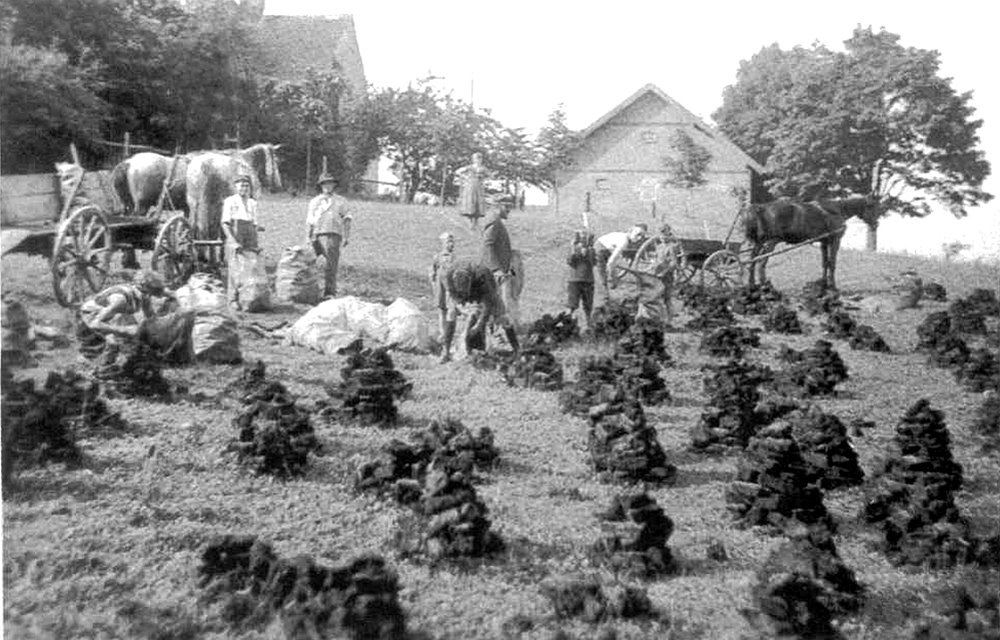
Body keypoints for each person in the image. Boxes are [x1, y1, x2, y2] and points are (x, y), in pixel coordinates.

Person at [77, 270, 195, 364]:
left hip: (113, 316)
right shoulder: (120, 300)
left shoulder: (143, 294)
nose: (158, 294)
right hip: (89, 319)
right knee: (115, 343)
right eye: (155, 290)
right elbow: (96, 324)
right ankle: (98, 359)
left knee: (138, 335)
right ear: (144, 287)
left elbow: (154, 312)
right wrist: (124, 331)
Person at [441, 261, 519, 361]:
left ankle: (517, 349)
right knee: (451, 313)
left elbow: (488, 305)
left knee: (503, 318)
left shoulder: (483, 274)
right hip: (464, 292)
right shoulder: (449, 274)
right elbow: (453, 296)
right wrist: (461, 304)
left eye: (465, 289)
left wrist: (479, 325)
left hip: (484, 291)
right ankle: (445, 352)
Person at [307, 172, 353, 298]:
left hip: (333, 234)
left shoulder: (341, 201)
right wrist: (308, 237)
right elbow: (310, 220)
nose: (327, 186)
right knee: (307, 262)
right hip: (317, 234)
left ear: (334, 185)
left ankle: (329, 292)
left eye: (330, 183)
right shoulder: (315, 201)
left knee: (331, 265)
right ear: (321, 185)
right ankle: (307, 291)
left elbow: (347, 219)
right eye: (325, 183)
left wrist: (346, 236)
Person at [221, 174, 262, 306]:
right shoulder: (230, 201)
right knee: (235, 268)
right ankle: (232, 299)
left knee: (250, 267)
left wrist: (256, 243)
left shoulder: (252, 203)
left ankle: (246, 298)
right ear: (235, 187)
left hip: (249, 236)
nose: (244, 188)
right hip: (235, 235)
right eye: (241, 185)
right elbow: (225, 223)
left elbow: (255, 225)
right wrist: (232, 240)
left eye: (247, 185)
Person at [481, 194, 520, 329]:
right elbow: (487, 245)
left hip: (500, 271)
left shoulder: (497, 221)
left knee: (498, 305)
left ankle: (497, 332)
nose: (509, 210)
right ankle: (497, 334)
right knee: (498, 304)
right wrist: (496, 269)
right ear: (499, 206)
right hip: (495, 273)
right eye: (507, 207)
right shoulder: (494, 221)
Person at [631, 223, 680, 326]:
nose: (662, 237)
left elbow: (674, 263)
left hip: (666, 277)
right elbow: (656, 262)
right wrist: (649, 269)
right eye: (660, 234)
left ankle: (669, 321)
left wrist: (665, 271)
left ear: (668, 234)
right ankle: (646, 317)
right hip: (656, 275)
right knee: (652, 296)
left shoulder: (671, 247)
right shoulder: (659, 247)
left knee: (667, 299)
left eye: (664, 234)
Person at [595, 223, 649, 298]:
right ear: (630, 232)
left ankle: (610, 287)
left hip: (608, 248)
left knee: (609, 271)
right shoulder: (623, 242)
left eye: (642, 236)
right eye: (638, 234)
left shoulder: (628, 239)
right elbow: (611, 262)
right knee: (601, 273)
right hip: (600, 247)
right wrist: (613, 277)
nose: (639, 238)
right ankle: (604, 296)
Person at [429, 231, 457, 361]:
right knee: (441, 310)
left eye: (452, 241)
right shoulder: (438, 256)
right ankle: (442, 332)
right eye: (448, 242)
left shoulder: (454, 257)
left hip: (450, 286)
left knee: (451, 309)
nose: (451, 244)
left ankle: (448, 334)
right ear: (443, 244)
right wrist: (434, 283)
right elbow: (433, 272)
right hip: (440, 285)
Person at [566, 228, 596, 332]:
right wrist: (575, 251)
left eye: (586, 236)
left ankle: (589, 325)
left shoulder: (591, 250)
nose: (584, 238)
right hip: (575, 280)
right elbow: (570, 261)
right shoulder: (574, 248)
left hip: (588, 280)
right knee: (572, 304)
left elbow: (593, 263)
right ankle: (566, 324)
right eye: (582, 236)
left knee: (588, 305)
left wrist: (589, 252)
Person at [456, 152, 488, 229]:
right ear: (473, 160)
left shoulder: (483, 168)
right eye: (476, 158)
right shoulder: (470, 167)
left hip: (479, 187)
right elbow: (458, 171)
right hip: (470, 186)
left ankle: (475, 223)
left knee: (477, 203)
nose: (478, 160)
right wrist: (465, 177)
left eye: (479, 158)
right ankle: (470, 223)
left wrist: (483, 179)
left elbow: (489, 175)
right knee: (470, 202)